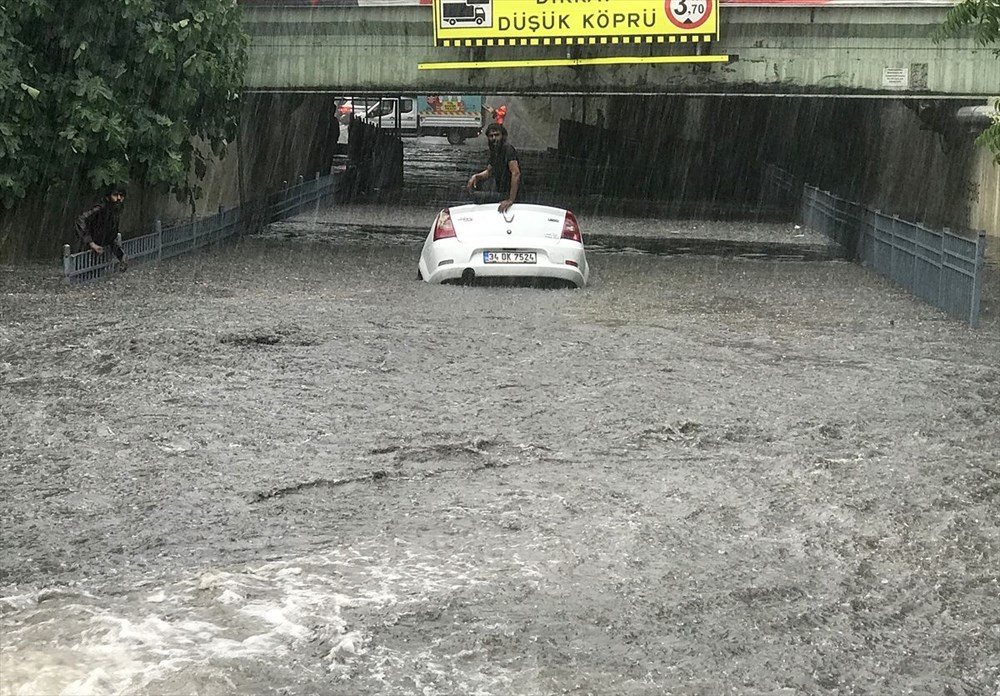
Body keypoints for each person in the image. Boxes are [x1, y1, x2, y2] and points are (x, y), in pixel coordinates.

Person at [467, 123, 521, 214]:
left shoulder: (508, 149)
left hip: (507, 193)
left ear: (503, 136)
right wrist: (476, 177)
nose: (494, 138)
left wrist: (510, 200)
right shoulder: (495, 151)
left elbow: (516, 173)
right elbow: (489, 172)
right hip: (500, 191)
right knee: (473, 190)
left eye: (497, 135)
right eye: (491, 136)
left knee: (475, 196)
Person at [73, 184, 129, 271]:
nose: (118, 198)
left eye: (121, 195)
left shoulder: (114, 213)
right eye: (115, 195)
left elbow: (110, 237)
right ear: (107, 197)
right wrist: (91, 243)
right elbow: (80, 220)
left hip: (97, 255)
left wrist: (121, 255)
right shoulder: (100, 209)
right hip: (84, 253)